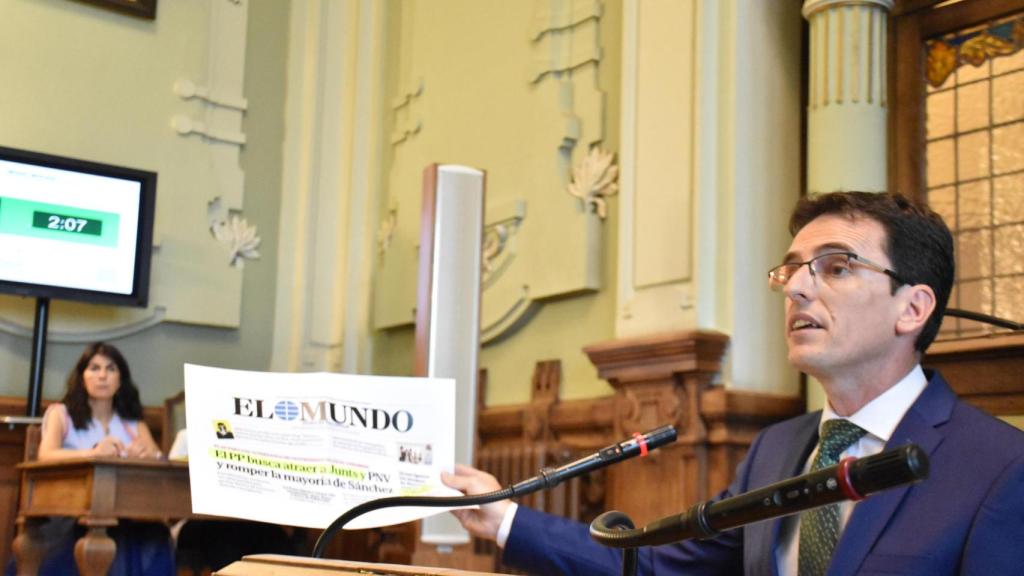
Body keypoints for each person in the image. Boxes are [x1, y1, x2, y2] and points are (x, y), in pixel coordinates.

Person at [442, 192, 1024, 575]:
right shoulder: (777, 449)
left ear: (913, 308)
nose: (796, 288)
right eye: (792, 269)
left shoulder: (1000, 467)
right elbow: (660, 568)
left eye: (837, 267)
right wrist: (503, 519)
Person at [23, 342, 174, 576]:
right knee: (114, 535)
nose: (102, 375)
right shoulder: (61, 414)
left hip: (127, 512)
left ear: (120, 380)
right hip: (71, 513)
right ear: (81, 377)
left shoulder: (132, 423)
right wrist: (94, 453)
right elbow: (46, 454)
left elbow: (159, 461)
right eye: (94, 368)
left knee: (156, 533)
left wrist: (148, 455)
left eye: (110, 369)